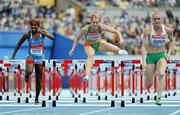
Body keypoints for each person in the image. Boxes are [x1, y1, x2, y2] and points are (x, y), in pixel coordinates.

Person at [69, 14, 128, 82]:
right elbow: (77, 39)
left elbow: (116, 31)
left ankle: (119, 51)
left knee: (116, 49)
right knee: (90, 56)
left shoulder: (101, 27)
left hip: (98, 43)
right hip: (89, 45)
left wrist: (121, 39)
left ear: (99, 22)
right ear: (91, 22)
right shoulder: (85, 29)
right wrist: (72, 49)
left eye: (97, 22)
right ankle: (87, 76)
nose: (95, 24)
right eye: (93, 22)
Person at [12, 18, 55, 104]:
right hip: (30, 56)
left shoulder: (42, 32)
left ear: (39, 26)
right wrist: (13, 55)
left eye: (35, 25)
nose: (33, 27)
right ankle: (27, 75)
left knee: (39, 80)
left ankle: (36, 98)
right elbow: (18, 44)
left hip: (40, 57)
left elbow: (52, 38)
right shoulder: (27, 34)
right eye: (32, 25)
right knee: (29, 70)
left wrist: (43, 33)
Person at [141, 12, 175, 106]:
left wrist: (169, 53)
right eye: (155, 19)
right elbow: (143, 46)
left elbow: (172, 41)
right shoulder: (147, 30)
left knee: (161, 73)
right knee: (149, 82)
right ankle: (152, 72)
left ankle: (159, 98)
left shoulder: (168, 30)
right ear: (152, 20)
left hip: (161, 55)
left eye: (158, 19)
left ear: (162, 20)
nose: (157, 21)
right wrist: (143, 60)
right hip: (150, 56)